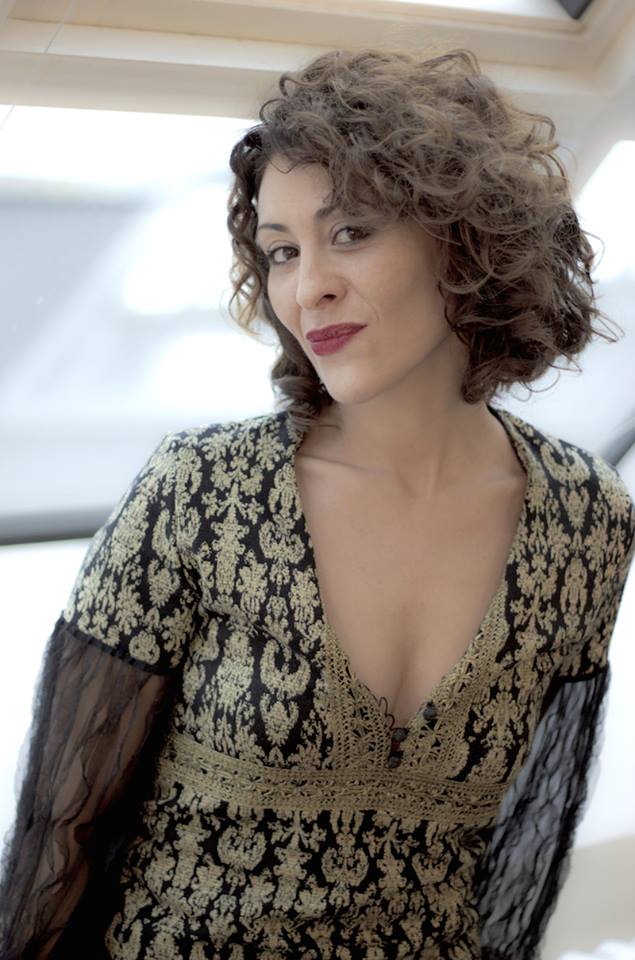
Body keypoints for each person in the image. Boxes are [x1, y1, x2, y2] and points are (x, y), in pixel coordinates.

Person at [1, 44, 634, 960]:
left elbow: (521, 852)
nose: (308, 288)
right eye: (282, 252)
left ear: (465, 237)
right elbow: (59, 837)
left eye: (351, 232)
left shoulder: (587, 520)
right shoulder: (200, 493)